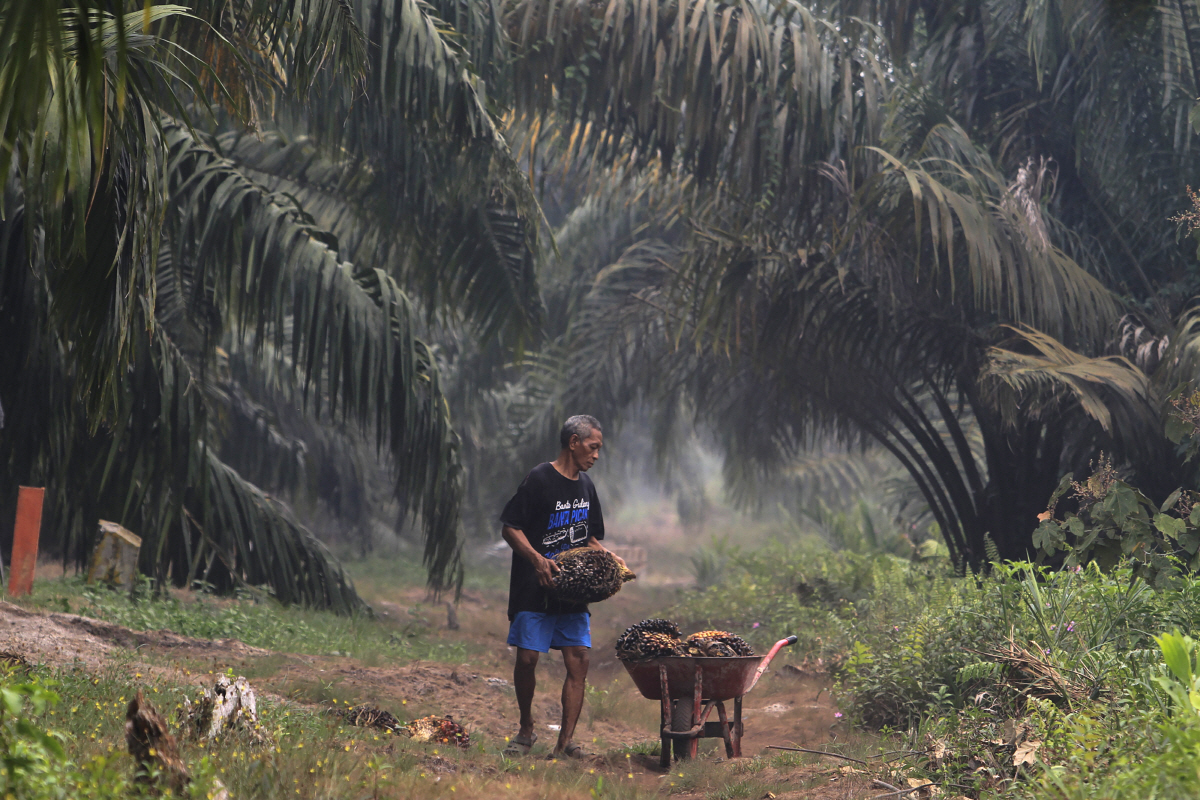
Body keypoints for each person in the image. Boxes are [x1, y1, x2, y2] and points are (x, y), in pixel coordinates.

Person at [499, 414, 625, 759]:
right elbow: (510, 527)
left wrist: (611, 558)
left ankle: (565, 742)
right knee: (527, 660)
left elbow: (590, 538)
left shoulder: (586, 487)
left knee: (579, 660)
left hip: (573, 591)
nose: (596, 455)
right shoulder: (539, 479)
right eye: (593, 447)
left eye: (599, 449)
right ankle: (526, 729)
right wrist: (538, 560)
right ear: (573, 442)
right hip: (534, 585)